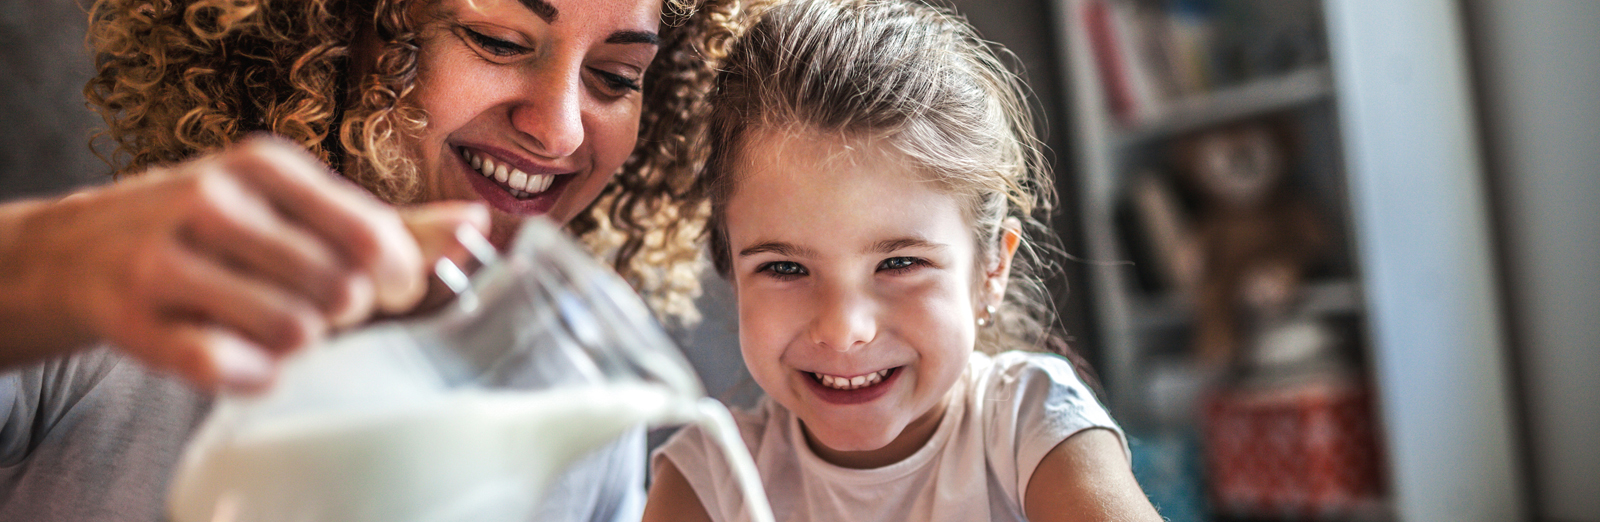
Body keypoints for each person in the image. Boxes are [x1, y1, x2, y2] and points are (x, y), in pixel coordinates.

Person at [0, 0, 745, 520]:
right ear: (341, 27)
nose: (558, 133)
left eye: (615, 79)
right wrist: (49, 266)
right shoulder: (109, 297)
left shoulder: (581, 414)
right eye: (499, 41)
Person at [641, 0, 1164, 520]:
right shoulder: (708, 479)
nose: (845, 331)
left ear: (990, 271)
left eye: (899, 264)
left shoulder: (1029, 423)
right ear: (731, 274)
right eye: (785, 268)